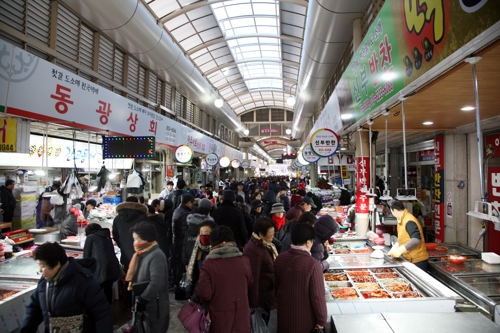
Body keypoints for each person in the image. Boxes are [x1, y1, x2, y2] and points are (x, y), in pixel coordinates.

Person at [20, 242, 113, 333]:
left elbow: (102, 314)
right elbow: (33, 310)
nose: (40, 270)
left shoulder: (83, 281)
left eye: (43, 266)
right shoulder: (44, 283)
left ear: (57, 264)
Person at [196, 226, 253, 332]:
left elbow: (204, 293)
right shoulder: (244, 261)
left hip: (219, 320)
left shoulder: (209, 264)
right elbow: (250, 284)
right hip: (241, 318)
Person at [274, 223, 327, 333]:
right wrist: (322, 320)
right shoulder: (313, 265)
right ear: (308, 242)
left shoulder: (280, 258)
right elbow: (318, 297)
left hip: (283, 315)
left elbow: (276, 286)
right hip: (304, 320)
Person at [126, 222, 170, 333]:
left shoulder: (156, 255)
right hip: (147, 307)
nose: (134, 243)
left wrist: (143, 299)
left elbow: (157, 281)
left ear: (146, 239)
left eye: (136, 239)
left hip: (155, 307)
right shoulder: (142, 253)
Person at [243, 217, 278, 325]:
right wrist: (254, 305)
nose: (273, 235)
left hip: (266, 292)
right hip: (261, 299)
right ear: (261, 234)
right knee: (260, 325)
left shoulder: (264, 245)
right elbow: (253, 279)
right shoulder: (255, 251)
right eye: (271, 233)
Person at [83, 223, 122, 304]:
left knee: (97, 290)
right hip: (112, 267)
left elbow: (86, 257)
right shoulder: (107, 237)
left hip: (100, 268)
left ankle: (98, 311)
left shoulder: (91, 237)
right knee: (108, 289)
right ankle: (108, 309)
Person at [388, 200, 429, 271]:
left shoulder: (409, 221)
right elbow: (404, 237)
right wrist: (396, 246)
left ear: (394, 210)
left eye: (391, 212)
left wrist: (400, 250)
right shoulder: (401, 219)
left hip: (418, 261)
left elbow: (416, 240)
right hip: (410, 259)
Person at [112, 197, 149, 271]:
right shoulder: (143, 216)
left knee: (128, 274)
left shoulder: (117, 218)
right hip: (141, 252)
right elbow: (148, 234)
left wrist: (122, 245)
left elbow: (115, 235)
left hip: (125, 253)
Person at [184, 219, 216, 299]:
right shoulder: (197, 249)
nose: (203, 235)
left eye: (207, 233)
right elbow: (195, 273)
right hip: (198, 292)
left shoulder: (217, 252)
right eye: (201, 233)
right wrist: (190, 291)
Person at [172, 194, 195, 291]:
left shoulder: (177, 210)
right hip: (181, 244)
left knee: (179, 265)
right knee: (182, 266)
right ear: (189, 202)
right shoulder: (185, 214)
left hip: (176, 242)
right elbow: (185, 231)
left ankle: (178, 284)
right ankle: (181, 286)